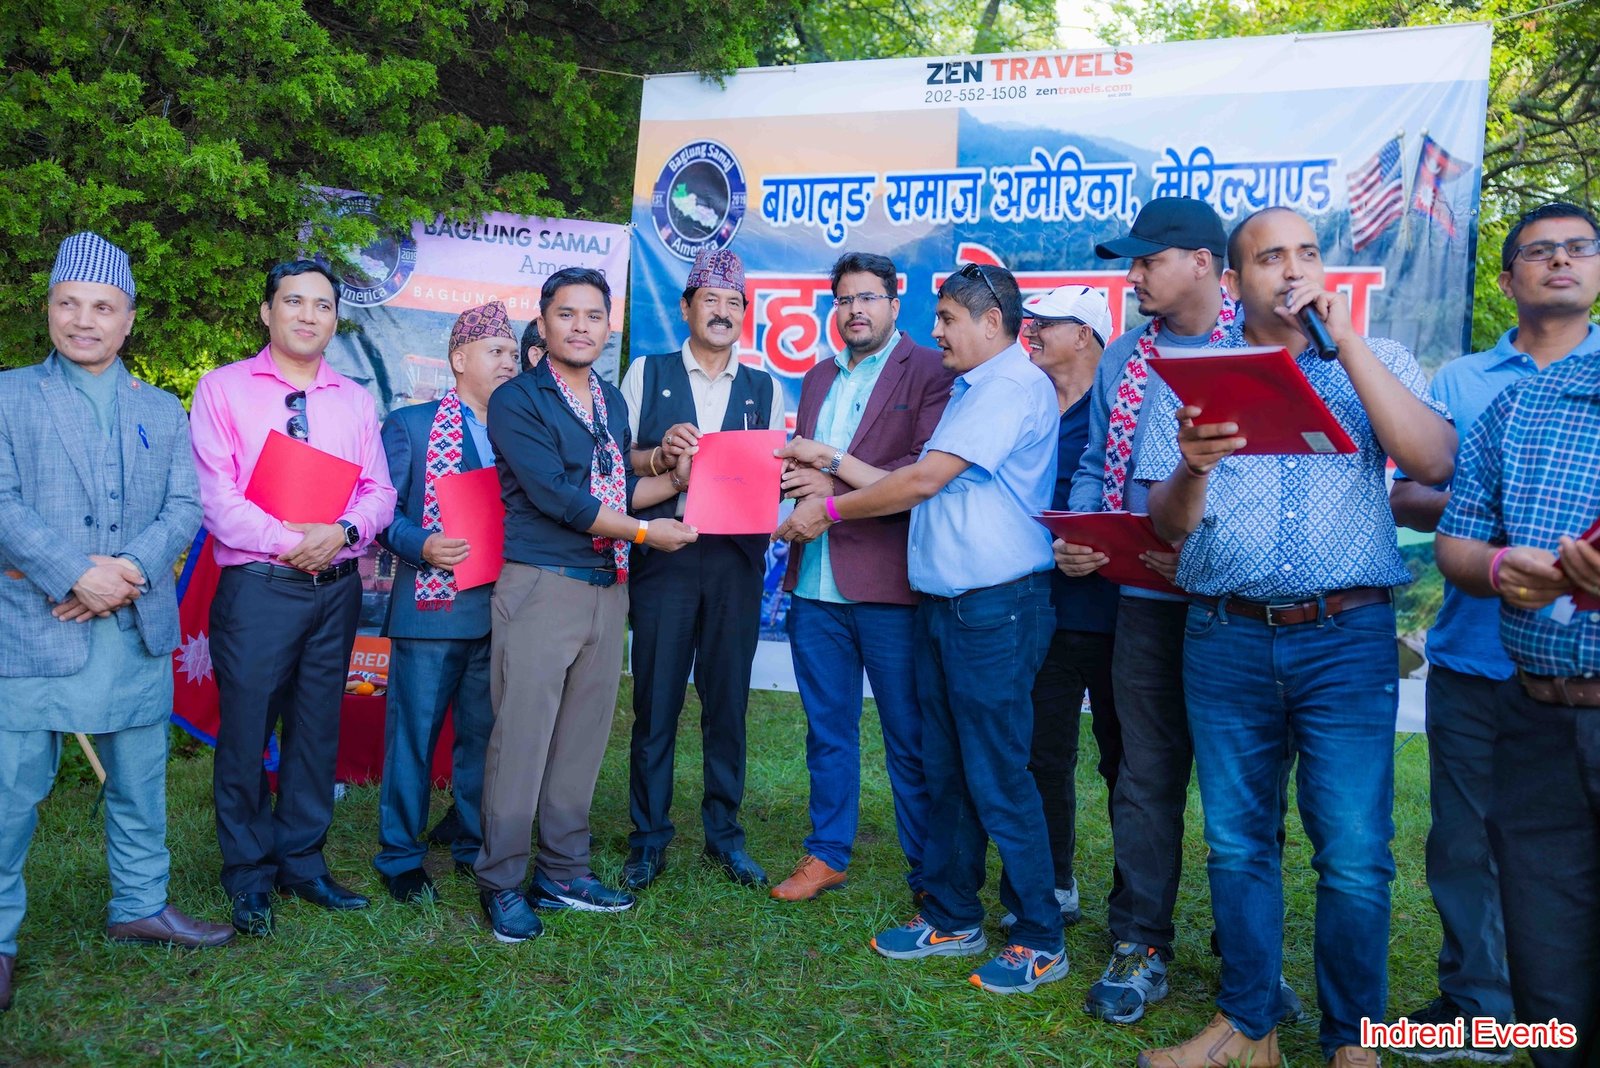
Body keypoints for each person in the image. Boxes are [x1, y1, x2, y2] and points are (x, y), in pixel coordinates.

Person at [1138, 206, 1456, 1068]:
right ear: (1232, 281)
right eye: (1270, 256)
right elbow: (1166, 525)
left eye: (1307, 253)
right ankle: (1250, 1027)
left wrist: (1345, 343)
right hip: (1225, 634)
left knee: (1353, 851)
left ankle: (1354, 1041)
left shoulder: (1375, 358)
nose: (1292, 269)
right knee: (1238, 843)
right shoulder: (1186, 374)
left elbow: (1433, 463)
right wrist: (1193, 466)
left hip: (1346, 636)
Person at [774, 262, 1064, 995]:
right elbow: (912, 483)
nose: (936, 332)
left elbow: (923, 481)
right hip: (945, 605)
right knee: (949, 770)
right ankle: (952, 915)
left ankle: (1039, 936)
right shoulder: (971, 387)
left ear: (991, 321)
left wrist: (827, 507)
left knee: (997, 773)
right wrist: (833, 475)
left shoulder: (1007, 386)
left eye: (947, 320)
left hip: (995, 607)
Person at [1388, 201, 1600, 1062]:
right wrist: (1498, 516)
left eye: (1578, 248)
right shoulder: (1469, 383)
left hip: (1581, 666)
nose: (1560, 262)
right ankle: (1481, 1007)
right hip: (1480, 652)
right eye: (1540, 252)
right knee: (1467, 843)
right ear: (1508, 281)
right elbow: (1412, 494)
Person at [0, 232, 233, 1010]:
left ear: (128, 320)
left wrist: (124, 572)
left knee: (140, 780)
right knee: (10, 791)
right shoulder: (8, 395)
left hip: (133, 626)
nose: (84, 320)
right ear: (48, 310)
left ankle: (140, 905)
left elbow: (185, 505)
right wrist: (75, 573)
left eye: (103, 307)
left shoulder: (161, 408)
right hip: (34, 623)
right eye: (69, 304)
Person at [1062, 197, 1249, 1025]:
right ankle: (1140, 942)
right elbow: (1093, 465)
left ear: (1202, 263)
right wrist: (1080, 533)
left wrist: (1206, 553)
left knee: (1243, 788)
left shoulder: (1258, 349)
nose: (1133, 275)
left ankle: (1248, 954)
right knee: (1144, 777)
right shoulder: (1124, 359)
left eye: (1147, 261)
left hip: (1236, 607)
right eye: (1130, 262)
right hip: (1141, 603)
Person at [475, 267, 698, 942]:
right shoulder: (517, 400)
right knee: (522, 740)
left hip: (608, 587)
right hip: (542, 585)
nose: (580, 327)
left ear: (608, 327)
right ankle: (502, 880)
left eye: (594, 315)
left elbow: (619, 488)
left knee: (581, 740)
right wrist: (645, 534)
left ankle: (564, 872)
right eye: (566, 314)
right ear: (543, 323)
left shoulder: (609, 399)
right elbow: (559, 498)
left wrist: (678, 473)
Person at [191, 260, 397, 937]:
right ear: (267, 312)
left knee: (315, 731)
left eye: (323, 305)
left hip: (335, 591)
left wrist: (343, 532)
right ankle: (249, 874)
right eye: (294, 301)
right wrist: (293, 542)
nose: (308, 315)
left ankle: (303, 862)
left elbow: (380, 492)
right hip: (259, 590)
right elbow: (217, 499)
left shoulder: (355, 401)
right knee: (247, 734)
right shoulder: (222, 389)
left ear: (336, 318)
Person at [767, 251, 953, 903]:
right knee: (827, 729)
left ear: (895, 305)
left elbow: (918, 475)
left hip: (889, 584)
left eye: (869, 297)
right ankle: (826, 853)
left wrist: (830, 476)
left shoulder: (929, 370)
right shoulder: (818, 376)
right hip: (814, 584)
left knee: (909, 733)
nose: (855, 310)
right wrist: (792, 482)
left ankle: (930, 871)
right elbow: (804, 474)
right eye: (845, 299)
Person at [616, 248, 785, 891]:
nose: (722, 311)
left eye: (733, 302)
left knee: (728, 702)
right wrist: (660, 457)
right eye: (710, 300)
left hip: (735, 562)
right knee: (655, 700)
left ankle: (725, 836)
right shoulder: (647, 371)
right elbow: (617, 459)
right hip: (665, 552)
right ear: (686, 307)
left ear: (745, 314)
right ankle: (648, 837)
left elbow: (772, 475)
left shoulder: (763, 387)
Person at [372, 300, 521, 903]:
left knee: (483, 741)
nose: (509, 362)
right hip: (431, 613)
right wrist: (423, 544)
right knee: (413, 739)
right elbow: (380, 514)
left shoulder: (522, 432)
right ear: (459, 360)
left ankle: (471, 843)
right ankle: (400, 856)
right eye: (496, 352)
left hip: (502, 611)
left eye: (513, 353)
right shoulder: (411, 426)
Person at [1001, 284, 1121, 931]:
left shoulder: (1126, 406)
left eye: (1047, 323)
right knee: (1043, 754)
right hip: (1042, 610)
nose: (1033, 332)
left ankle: (1135, 911)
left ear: (1085, 334)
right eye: (1031, 322)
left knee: (1126, 765)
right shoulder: (1028, 405)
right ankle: (1052, 885)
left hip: (1118, 615)